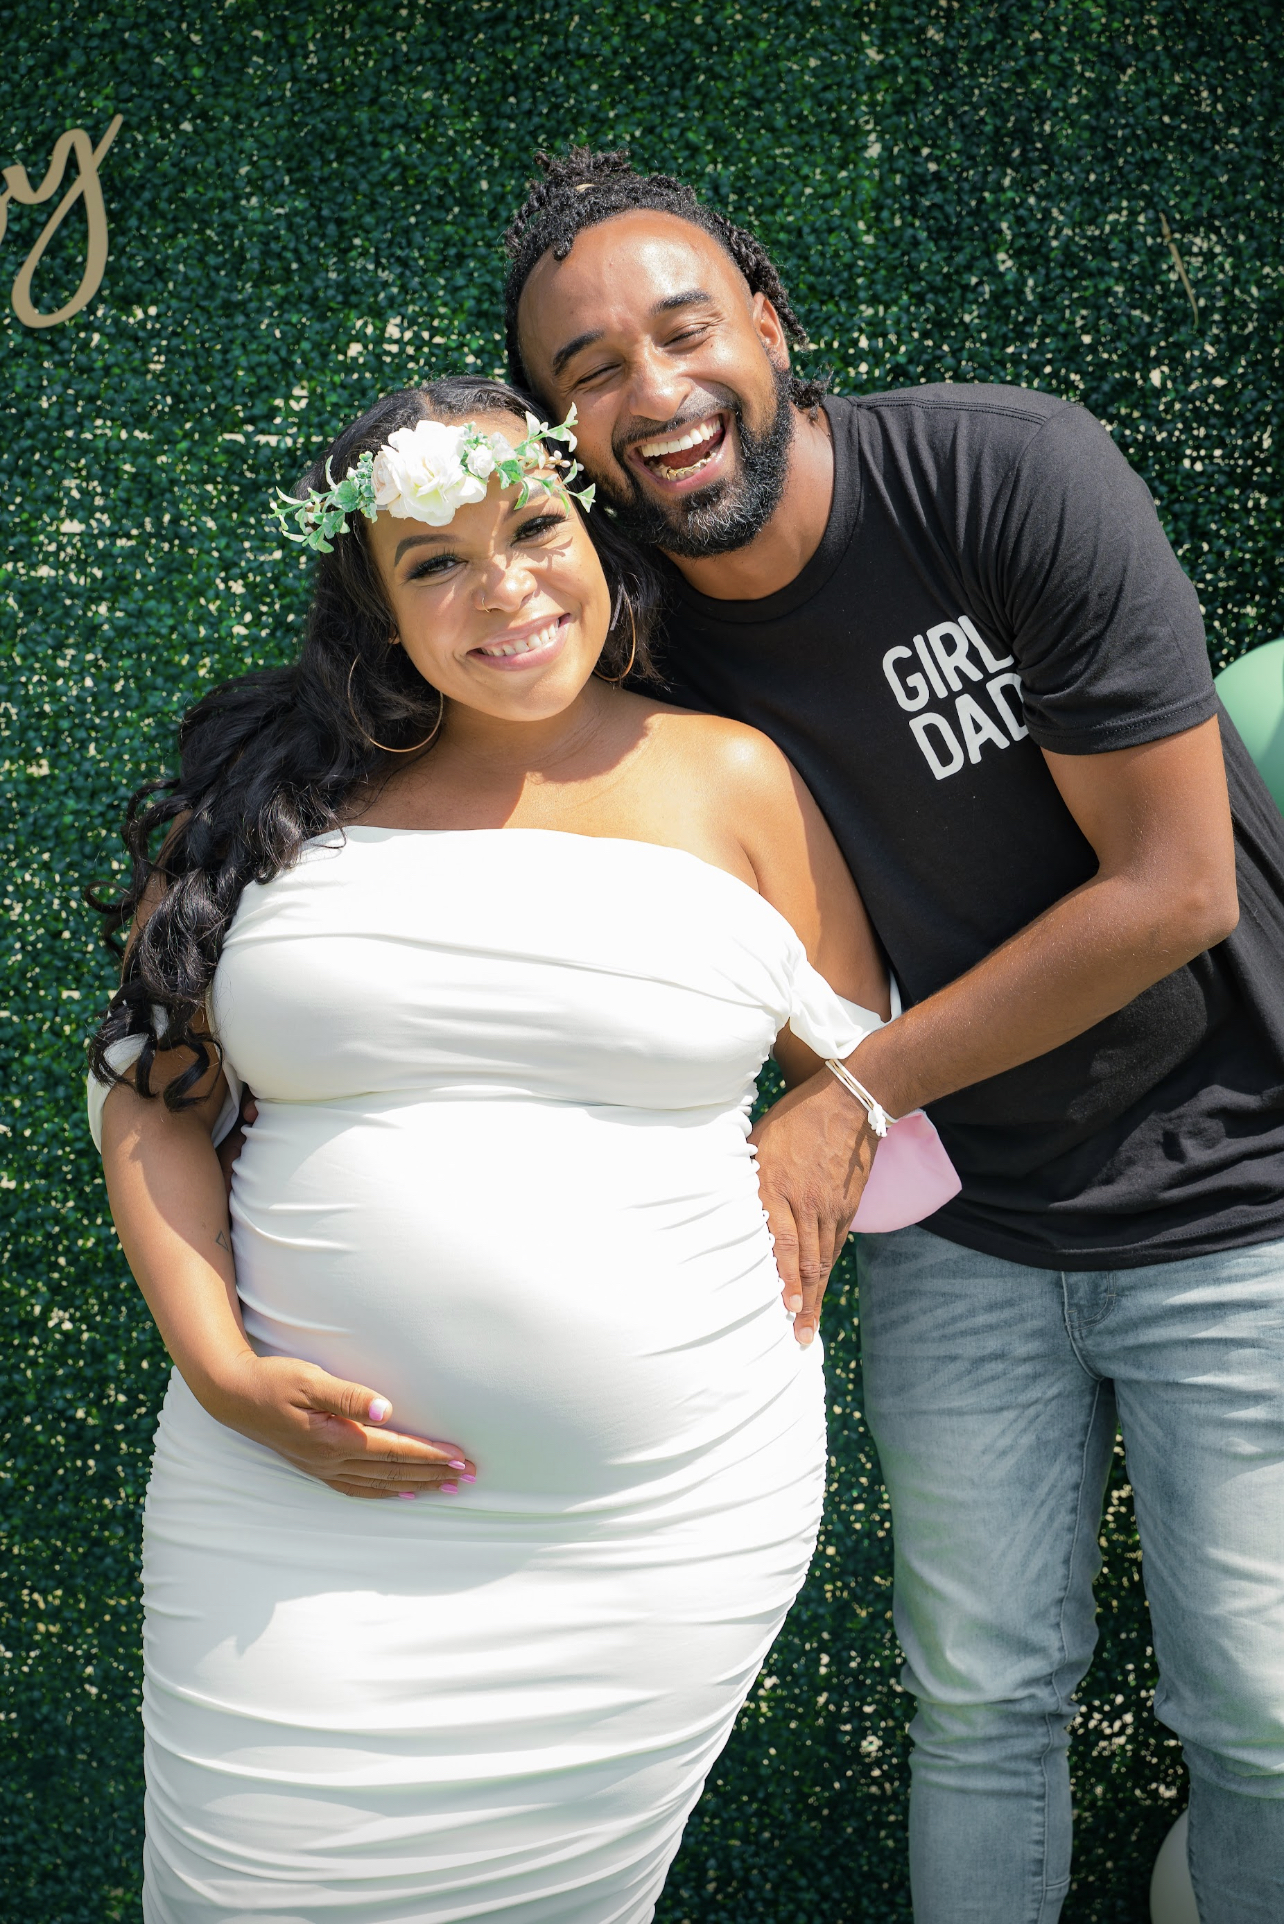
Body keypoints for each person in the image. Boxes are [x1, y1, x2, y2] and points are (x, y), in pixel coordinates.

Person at [502, 149, 1284, 1924]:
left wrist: (854, 1089)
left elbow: (1174, 891)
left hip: (1240, 1183)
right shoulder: (623, 641)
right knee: (981, 1704)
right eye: (591, 374)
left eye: (681, 330)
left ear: (769, 328)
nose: (655, 392)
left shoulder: (1006, 473)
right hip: (961, 1229)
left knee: (1261, 1722)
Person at [88, 376, 941, 1922]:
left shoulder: (731, 779)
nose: (505, 588)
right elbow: (152, 1098)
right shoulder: (271, 803)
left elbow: (875, 1053)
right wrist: (218, 1367)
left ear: (590, 531)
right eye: (435, 565)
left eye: (533, 527)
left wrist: (836, 1107)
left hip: (652, 1533)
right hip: (286, 1509)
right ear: (377, 609)